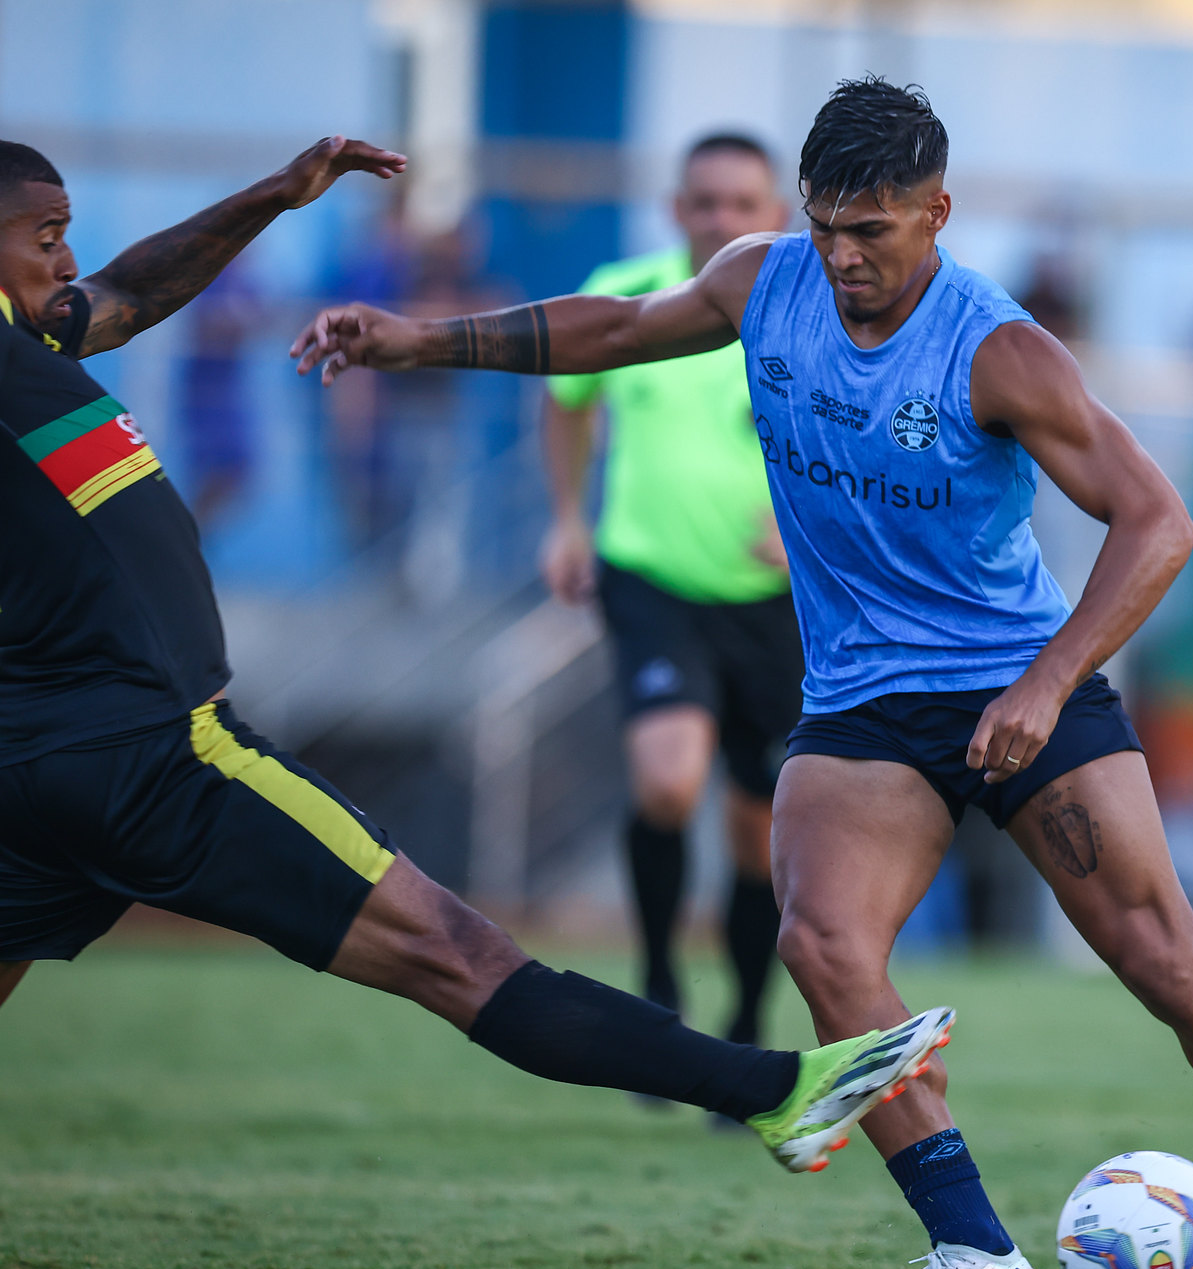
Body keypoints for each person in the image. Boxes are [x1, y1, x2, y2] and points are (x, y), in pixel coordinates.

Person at [290, 78, 1193, 1269]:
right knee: (822, 944)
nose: (841, 257)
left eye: (871, 231)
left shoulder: (999, 350)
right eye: (825, 225)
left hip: (1014, 684)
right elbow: (617, 329)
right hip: (859, 702)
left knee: (1163, 961)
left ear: (936, 213)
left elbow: (1158, 520)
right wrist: (418, 341)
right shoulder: (762, 281)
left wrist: (1048, 686)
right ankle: (973, 1253)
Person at [0, 136, 950, 1180]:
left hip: (39, 764)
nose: (67, 261)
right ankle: (773, 1089)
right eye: (46, 238)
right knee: (460, 954)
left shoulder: (32, 334)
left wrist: (275, 195)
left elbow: (128, 289)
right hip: (157, 757)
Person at [538, 132, 796, 1068]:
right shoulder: (629, 287)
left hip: (776, 604)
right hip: (649, 577)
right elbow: (566, 398)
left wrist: (806, 527)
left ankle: (745, 1025)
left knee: (757, 829)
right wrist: (567, 518)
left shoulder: (810, 310)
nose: (723, 219)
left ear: (775, 216)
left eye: (743, 204)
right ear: (676, 209)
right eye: (706, 202)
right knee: (666, 780)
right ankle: (655, 984)